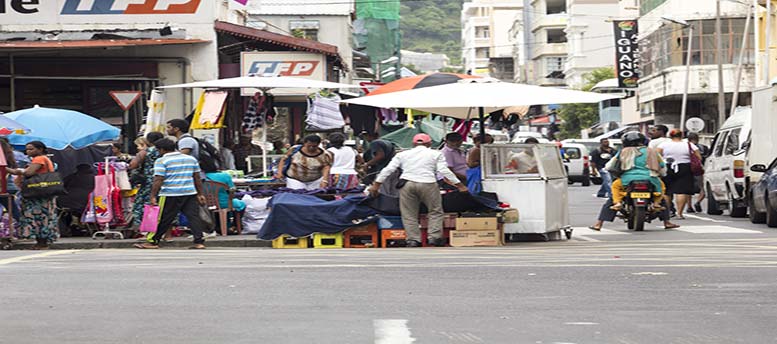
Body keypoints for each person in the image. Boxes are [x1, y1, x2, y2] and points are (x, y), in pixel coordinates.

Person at [367, 134, 468, 247]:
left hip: (407, 184)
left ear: (413, 144)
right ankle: (434, 238)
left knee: (409, 214)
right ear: (429, 144)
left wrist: (376, 185)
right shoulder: (436, 154)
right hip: (428, 183)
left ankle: (413, 240)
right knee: (435, 211)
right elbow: (444, 171)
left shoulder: (402, 154)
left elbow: (388, 169)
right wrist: (460, 185)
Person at [134, 138, 208, 249]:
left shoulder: (161, 161)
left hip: (170, 193)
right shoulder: (190, 159)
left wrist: (153, 195)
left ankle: (153, 241)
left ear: (162, 149)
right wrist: (200, 193)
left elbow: (158, 179)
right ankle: (199, 241)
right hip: (189, 192)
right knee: (193, 217)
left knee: (163, 218)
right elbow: (196, 177)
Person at [8, 141, 58, 250]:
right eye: (27, 149)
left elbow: (29, 173)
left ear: (40, 149)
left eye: (31, 149)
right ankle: (41, 242)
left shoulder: (39, 159)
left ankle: (42, 242)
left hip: (38, 194)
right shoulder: (45, 159)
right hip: (44, 193)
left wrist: (12, 170)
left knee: (38, 217)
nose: (28, 151)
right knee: (44, 218)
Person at [607, 132, 666, 211]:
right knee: (661, 186)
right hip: (650, 178)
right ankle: (656, 203)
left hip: (627, 179)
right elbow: (662, 166)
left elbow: (609, 166)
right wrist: (662, 174)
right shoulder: (652, 151)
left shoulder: (623, 152)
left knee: (615, 186)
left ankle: (618, 203)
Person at [658, 129, 703, 220]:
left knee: (667, 191)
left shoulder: (663, 144)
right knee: (681, 191)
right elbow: (699, 157)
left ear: (670, 136)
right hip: (685, 168)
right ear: (682, 135)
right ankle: (679, 213)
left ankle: (668, 211)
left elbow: (657, 156)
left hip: (668, 167)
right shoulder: (689, 144)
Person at [129, 132, 165, 227]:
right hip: (166, 182)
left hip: (150, 182)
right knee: (164, 206)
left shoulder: (146, 152)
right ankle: (167, 232)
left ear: (148, 141)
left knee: (143, 205)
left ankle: (147, 228)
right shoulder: (167, 151)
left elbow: (133, 165)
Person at [686, 132, 710, 214]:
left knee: (687, 189)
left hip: (687, 169)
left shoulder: (684, 147)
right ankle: (698, 202)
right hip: (699, 169)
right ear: (697, 139)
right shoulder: (704, 148)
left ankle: (689, 206)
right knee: (702, 188)